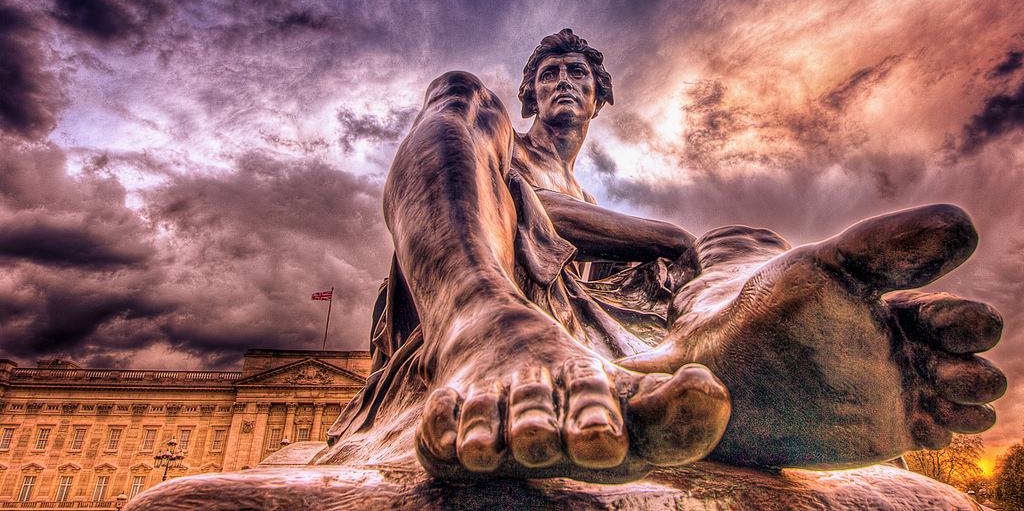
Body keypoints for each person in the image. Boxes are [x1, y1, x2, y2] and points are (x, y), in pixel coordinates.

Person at [320, 29, 1005, 482]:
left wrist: (682, 251)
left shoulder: (585, 188)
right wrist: (659, 236)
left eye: (578, 75)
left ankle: (757, 339)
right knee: (460, 93)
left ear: (597, 99)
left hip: (591, 333)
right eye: (550, 72)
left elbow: (643, 250)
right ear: (530, 92)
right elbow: (510, 203)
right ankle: (488, 337)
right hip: (476, 299)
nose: (562, 81)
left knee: (738, 244)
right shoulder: (501, 148)